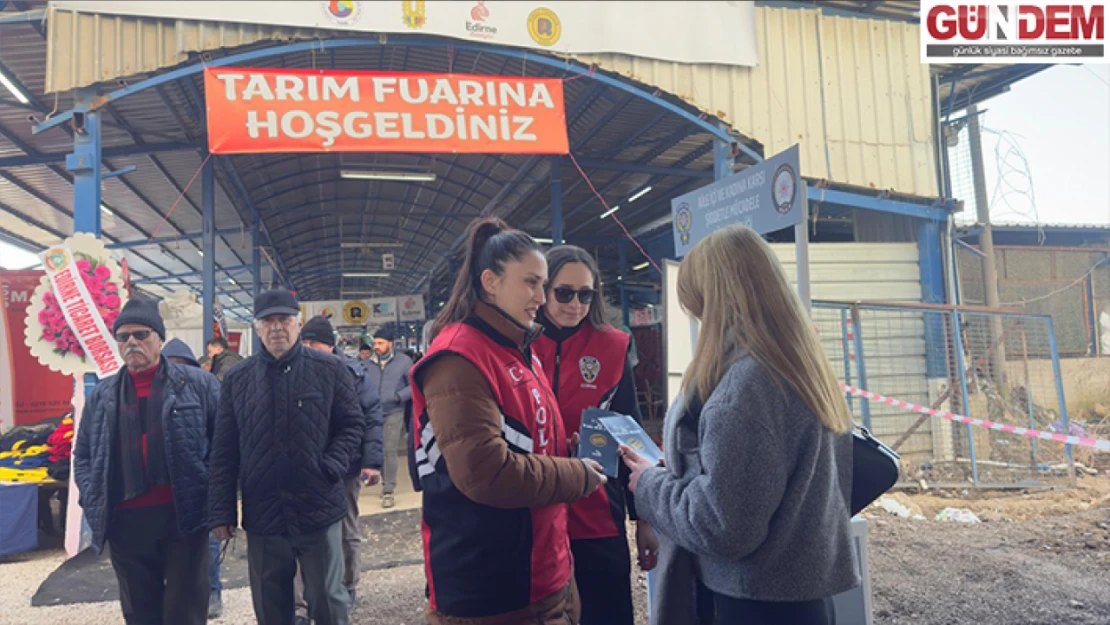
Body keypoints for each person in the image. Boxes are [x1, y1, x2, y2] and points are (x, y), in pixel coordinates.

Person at [619, 225, 860, 625]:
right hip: (802, 595)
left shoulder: (745, 389)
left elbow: (724, 527)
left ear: (714, 301)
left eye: (697, 307)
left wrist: (649, 484)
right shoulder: (799, 368)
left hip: (755, 602)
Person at [410, 217, 608, 625]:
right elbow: (485, 473)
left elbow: (524, 442)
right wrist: (577, 474)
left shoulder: (518, 346)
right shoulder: (458, 358)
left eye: (543, 283)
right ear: (490, 281)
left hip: (542, 571)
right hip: (491, 587)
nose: (542, 296)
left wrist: (564, 449)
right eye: (531, 283)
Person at [208, 289, 365, 625]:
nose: (277, 327)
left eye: (284, 319)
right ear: (257, 327)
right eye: (268, 320)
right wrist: (221, 510)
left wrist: (330, 467)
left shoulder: (330, 369)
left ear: (298, 324)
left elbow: (352, 425)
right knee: (270, 604)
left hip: (319, 508)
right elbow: (223, 450)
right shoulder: (238, 379)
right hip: (264, 513)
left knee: (327, 599)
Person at [73, 300, 220, 625]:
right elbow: (83, 454)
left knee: (185, 610)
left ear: (159, 339)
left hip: (184, 518)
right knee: (140, 612)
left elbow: (224, 446)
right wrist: (91, 495)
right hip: (126, 522)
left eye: (141, 334)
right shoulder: (102, 395)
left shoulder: (197, 385)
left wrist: (212, 495)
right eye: (123, 337)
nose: (131, 343)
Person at [533, 245, 659, 625]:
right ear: (543, 290)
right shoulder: (516, 345)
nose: (575, 304)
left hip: (598, 518)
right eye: (564, 293)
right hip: (533, 516)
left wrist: (645, 520)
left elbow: (632, 437)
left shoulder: (613, 347)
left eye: (585, 294)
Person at [294, 316, 384, 623]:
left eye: (315, 342)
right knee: (299, 530)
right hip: (303, 469)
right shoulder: (291, 371)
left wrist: (372, 462)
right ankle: (301, 603)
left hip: (345, 466)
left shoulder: (353, 373)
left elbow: (371, 417)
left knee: (346, 525)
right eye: (304, 342)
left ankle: (347, 585)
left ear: (330, 345)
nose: (309, 348)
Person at [162, 338, 225, 620]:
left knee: (207, 543)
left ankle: (212, 591)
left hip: (202, 485)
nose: (177, 371)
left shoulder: (205, 387)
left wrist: (212, 474)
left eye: (183, 365)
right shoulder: (156, 391)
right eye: (172, 365)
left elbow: (221, 436)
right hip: (166, 491)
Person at [366, 328, 413, 509]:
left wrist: (398, 397)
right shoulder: (366, 364)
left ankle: (388, 490)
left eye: (380, 343)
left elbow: (413, 384)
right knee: (377, 450)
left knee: (389, 449)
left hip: (395, 411)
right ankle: (383, 481)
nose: (376, 347)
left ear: (390, 344)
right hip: (373, 412)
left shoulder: (404, 362)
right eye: (375, 343)